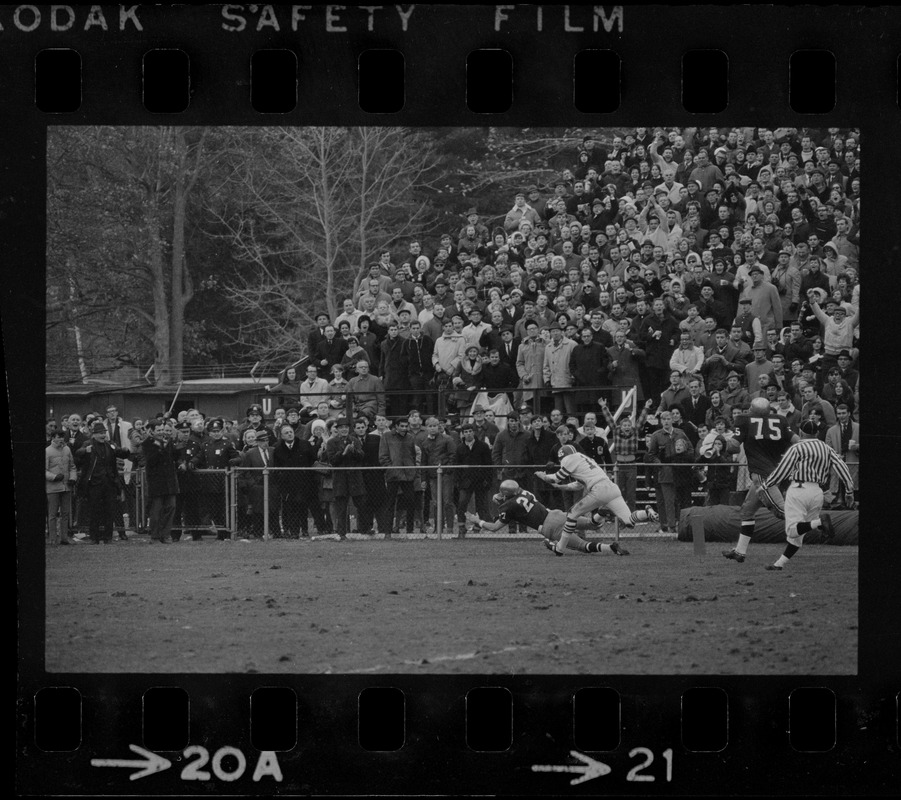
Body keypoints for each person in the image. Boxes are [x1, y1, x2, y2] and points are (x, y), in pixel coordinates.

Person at [758, 420, 854, 570]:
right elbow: (841, 466)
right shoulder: (826, 448)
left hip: (798, 489)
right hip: (817, 492)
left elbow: (782, 470)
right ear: (816, 433)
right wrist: (849, 490)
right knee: (797, 536)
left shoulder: (797, 447)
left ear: (801, 432)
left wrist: (766, 485)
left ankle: (820, 523)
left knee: (792, 530)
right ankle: (779, 564)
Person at [536, 442, 658, 555]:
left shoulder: (571, 458)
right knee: (629, 521)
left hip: (598, 489)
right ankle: (647, 513)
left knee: (572, 514)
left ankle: (560, 548)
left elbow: (556, 477)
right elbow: (577, 485)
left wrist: (544, 476)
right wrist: (559, 486)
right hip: (612, 488)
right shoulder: (585, 460)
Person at [722, 397, 798, 563]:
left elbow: (733, 446)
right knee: (747, 511)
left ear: (751, 410)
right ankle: (740, 552)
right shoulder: (780, 420)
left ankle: (818, 522)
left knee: (782, 512)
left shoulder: (744, 419)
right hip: (779, 472)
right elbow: (797, 441)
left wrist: (724, 443)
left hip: (763, 476)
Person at [465, 480, 630, 556]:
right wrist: (501, 496)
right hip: (556, 514)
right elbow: (512, 494)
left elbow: (494, 528)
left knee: (582, 546)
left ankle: (611, 548)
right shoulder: (523, 492)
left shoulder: (509, 506)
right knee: (591, 524)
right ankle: (602, 511)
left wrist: (476, 521)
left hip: (549, 527)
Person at [75, 421, 131, 544]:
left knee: (109, 511)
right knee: (94, 511)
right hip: (94, 483)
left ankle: (107, 537)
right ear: (94, 434)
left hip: (109, 483)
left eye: (104, 433)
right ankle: (94, 538)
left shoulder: (109, 445)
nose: (103, 435)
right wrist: (85, 451)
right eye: (100, 433)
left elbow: (120, 452)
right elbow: (78, 454)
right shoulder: (88, 444)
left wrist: (126, 450)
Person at [323, 417, 367, 539]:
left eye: (346, 428)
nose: (344, 430)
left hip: (355, 478)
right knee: (341, 507)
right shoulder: (332, 442)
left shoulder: (354, 440)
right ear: (337, 429)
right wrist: (343, 453)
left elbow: (361, 456)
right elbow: (332, 460)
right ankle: (341, 532)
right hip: (340, 479)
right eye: (341, 428)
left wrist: (353, 451)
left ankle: (364, 530)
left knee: (361, 504)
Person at [142, 419, 181, 544]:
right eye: (158, 430)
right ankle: (155, 535)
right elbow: (151, 461)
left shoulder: (168, 441)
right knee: (156, 510)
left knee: (171, 507)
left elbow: (174, 457)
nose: (161, 432)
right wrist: (160, 448)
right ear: (152, 431)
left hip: (170, 481)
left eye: (162, 430)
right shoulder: (147, 443)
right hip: (156, 482)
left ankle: (165, 534)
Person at [379, 416, 419, 536]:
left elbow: (412, 454)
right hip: (393, 475)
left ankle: (410, 530)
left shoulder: (410, 438)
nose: (404, 428)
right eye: (401, 426)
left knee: (411, 502)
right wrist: (391, 469)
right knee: (390, 503)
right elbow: (383, 456)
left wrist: (412, 469)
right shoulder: (386, 436)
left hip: (408, 475)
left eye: (406, 426)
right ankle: (387, 532)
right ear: (396, 426)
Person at [453, 422, 493, 537]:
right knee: (462, 503)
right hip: (465, 482)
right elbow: (457, 466)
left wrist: (488, 480)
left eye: (470, 431)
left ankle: (478, 527)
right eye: (466, 432)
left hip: (481, 481)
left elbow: (489, 465)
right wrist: (458, 481)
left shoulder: (483, 446)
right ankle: (461, 528)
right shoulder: (460, 448)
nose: (468, 433)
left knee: (481, 505)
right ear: (463, 434)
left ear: (474, 432)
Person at [46, 430, 78, 545]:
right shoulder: (47, 451)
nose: (61, 439)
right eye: (59, 437)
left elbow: (72, 466)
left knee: (65, 513)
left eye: (62, 437)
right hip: (53, 487)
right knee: (53, 514)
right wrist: (54, 477)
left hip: (66, 486)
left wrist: (73, 478)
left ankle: (64, 538)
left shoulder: (67, 449)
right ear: (53, 437)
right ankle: (53, 539)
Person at [824, 403, 859, 507]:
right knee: (837, 483)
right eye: (839, 413)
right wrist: (836, 455)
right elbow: (827, 448)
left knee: (854, 483)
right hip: (838, 462)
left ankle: (854, 503)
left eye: (844, 413)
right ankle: (838, 501)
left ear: (849, 413)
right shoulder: (831, 430)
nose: (841, 416)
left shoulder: (858, 427)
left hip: (853, 461)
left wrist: (856, 447)